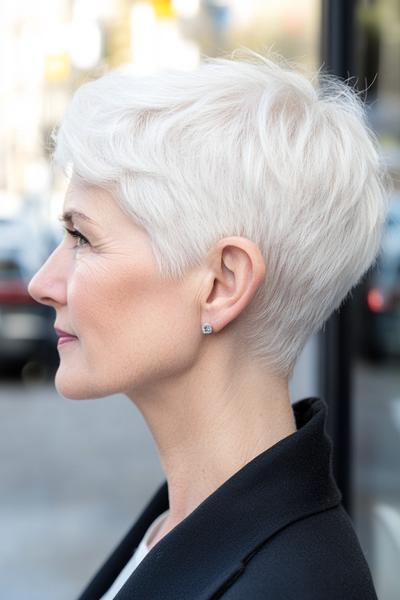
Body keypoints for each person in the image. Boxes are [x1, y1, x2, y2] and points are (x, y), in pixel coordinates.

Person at [28, 49, 389, 599]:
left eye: (82, 238)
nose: (42, 283)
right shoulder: (186, 523)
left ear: (221, 284)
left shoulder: (288, 584)